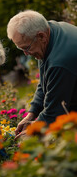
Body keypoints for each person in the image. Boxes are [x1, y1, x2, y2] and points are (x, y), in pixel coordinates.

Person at [7, 9, 77, 139]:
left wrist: (32, 131)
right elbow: (45, 82)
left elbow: (55, 112)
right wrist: (31, 113)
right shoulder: (49, 32)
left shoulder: (60, 61)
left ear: (41, 36)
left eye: (26, 48)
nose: (26, 54)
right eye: (20, 49)